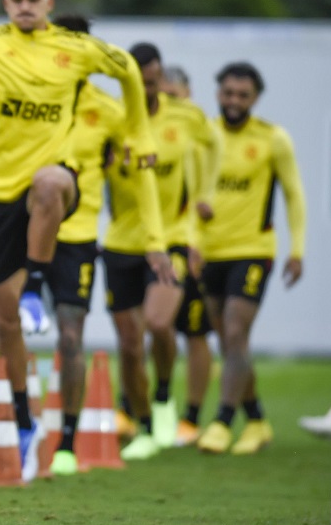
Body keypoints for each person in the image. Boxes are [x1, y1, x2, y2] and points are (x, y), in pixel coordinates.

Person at [0, 0, 156, 480]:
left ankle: (68, 434)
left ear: (50, 3)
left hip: (60, 204)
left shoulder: (76, 51)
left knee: (52, 184)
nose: (26, 6)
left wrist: (141, 136)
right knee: (7, 316)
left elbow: (126, 65)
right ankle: (23, 421)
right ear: (6, 2)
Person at [101, 42, 219, 459]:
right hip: (119, 242)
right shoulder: (111, 118)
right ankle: (142, 421)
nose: (148, 89)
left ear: (160, 78)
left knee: (158, 322)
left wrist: (204, 198)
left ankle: (167, 397)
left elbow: (215, 145)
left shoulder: (184, 117)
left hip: (170, 240)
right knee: (130, 345)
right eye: (140, 82)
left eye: (154, 81)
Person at [196, 62, 306, 455]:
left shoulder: (273, 139)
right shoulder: (204, 134)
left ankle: (223, 422)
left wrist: (297, 250)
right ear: (218, 94)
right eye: (228, 93)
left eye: (243, 95)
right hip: (210, 252)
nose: (234, 101)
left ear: (255, 98)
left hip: (254, 252)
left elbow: (294, 194)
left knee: (236, 331)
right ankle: (257, 420)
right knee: (228, 341)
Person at [158, 64, 217, 447]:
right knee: (156, 327)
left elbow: (199, 199)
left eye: (175, 96)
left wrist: (197, 242)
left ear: (188, 94)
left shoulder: (198, 137)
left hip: (193, 246)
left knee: (196, 334)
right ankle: (146, 407)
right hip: (155, 244)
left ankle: (191, 418)